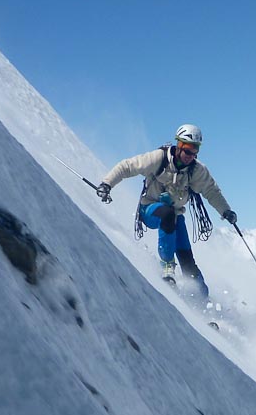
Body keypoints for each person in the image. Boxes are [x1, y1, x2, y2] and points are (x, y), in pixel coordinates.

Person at [96, 124, 237, 301]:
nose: (191, 156)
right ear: (178, 145)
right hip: (150, 210)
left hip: (175, 217)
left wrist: (226, 211)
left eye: (195, 151)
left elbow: (211, 191)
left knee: (188, 261)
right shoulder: (159, 158)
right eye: (187, 150)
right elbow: (127, 166)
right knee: (168, 215)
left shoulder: (196, 170)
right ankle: (168, 268)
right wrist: (107, 183)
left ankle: (203, 301)